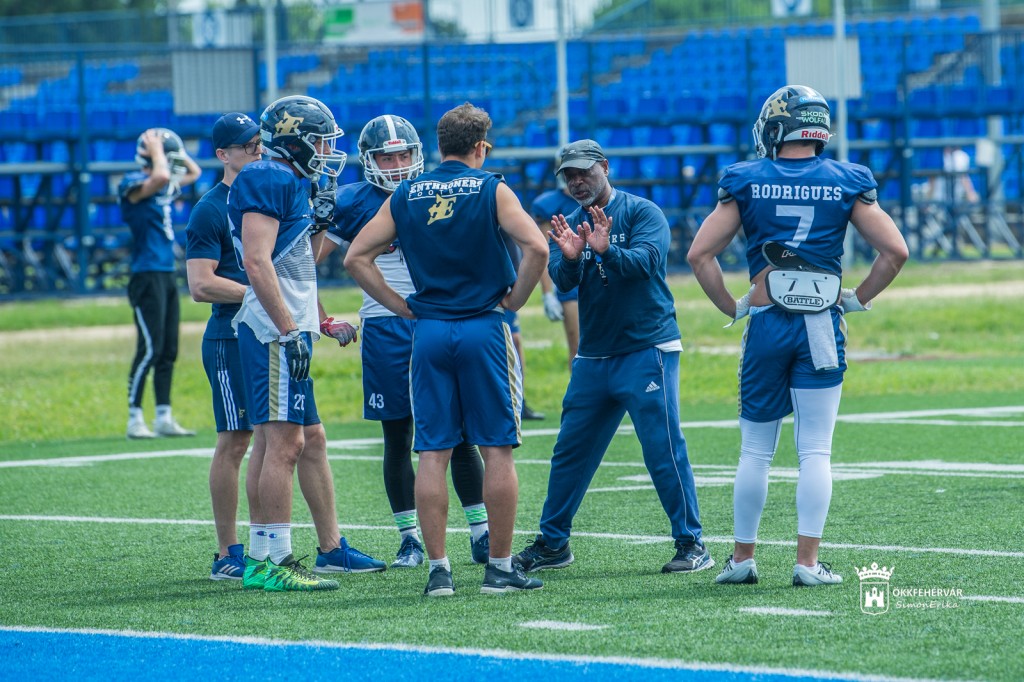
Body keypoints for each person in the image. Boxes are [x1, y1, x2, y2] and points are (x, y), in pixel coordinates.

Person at [686, 85, 908, 587]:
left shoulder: (746, 178)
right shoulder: (846, 179)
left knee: (755, 451)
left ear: (777, 127)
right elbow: (896, 251)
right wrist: (856, 298)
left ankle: (742, 558)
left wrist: (734, 306)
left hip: (768, 321)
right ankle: (807, 563)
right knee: (815, 451)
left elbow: (699, 255)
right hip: (821, 326)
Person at [345, 103, 548, 597]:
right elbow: (538, 248)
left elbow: (356, 257)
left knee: (432, 452)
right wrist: (515, 299)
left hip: (429, 332)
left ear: (437, 147)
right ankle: (499, 568)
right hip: (483, 327)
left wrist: (401, 306)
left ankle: (439, 571)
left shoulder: (407, 193)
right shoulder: (491, 187)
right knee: (496, 448)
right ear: (481, 147)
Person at [185, 112, 383, 582]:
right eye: (320, 141)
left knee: (292, 439)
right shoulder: (268, 178)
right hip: (271, 329)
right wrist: (290, 328)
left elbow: (294, 262)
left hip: (283, 324)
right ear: (297, 141)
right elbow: (256, 263)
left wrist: (314, 314)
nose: (328, 151)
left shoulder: (287, 180)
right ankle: (270, 560)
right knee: (279, 442)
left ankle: (273, 555)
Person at [514, 139, 713, 576]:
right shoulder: (572, 222)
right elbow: (564, 279)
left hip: (647, 348)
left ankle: (692, 542)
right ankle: (553, 542)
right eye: (569, 176)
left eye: (584, 172)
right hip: (594, 355)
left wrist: (607, 250)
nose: (577, 182)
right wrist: (570, 259)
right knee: (570, 451)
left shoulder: (643, 212)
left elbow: (647, 264)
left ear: (604, 167)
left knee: (662, 448)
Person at [314, 113, 491, 569]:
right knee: (398, 435)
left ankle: (481, 531)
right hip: (386, 326)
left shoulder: (430, 190)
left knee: (460, 433)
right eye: (386, 157)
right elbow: (304, 263)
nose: (396, 165)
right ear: (368, 161)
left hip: (436, 320)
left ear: (418, 155)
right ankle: (409, 538)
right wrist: (321, 317)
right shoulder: (352, 201)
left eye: (403, 155)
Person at [120, 127, 201, 439]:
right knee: (150, 348)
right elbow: (161, 177)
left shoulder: (163, 184)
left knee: (168, 348)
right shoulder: (133, 184)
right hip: (146, 273)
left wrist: (173, 148)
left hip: (165, 271)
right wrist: (156, 151)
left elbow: (193, 172)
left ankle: (164, 415)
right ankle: (134, 416)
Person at [530, 178, 581, 369]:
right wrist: (547, 293)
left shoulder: (601, 199)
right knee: (578, 349)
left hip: (599, 275)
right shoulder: (549, 204)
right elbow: (545, 251)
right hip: (571, 281)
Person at [499, 232, 545, 420]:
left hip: (506, 285)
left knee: (515, 341)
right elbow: (538, 249)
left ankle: (520, 401)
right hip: (491, 288)